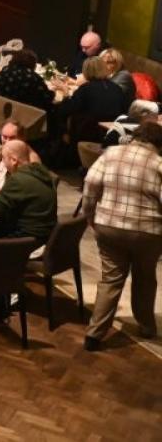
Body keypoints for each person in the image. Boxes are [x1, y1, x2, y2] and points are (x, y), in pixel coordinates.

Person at [83, 121, 162, 350]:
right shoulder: (158, 163)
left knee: (111, 279)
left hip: (109, 226)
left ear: (135, 136)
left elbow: (90, 183)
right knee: (144, 278)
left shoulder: (111, 154)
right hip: (148, 232)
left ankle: (94, 335)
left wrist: (90, 214)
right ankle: (146, 326)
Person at [0, 140, 57, 243]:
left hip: (22, 241)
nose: (3, 162)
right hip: (44, 237)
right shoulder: (41, 173)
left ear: (14, 160)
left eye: (4, 158)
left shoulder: (17, 179)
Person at [60, 56, 131, 141]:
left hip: (89, 134)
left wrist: (65, 93)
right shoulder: (117, 88)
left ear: (85, 71)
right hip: (112, 134)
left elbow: (67, 109)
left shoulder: (86, 88)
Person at [0, 120, 40, 194]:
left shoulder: (29, 159)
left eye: (12, 138)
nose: (7, 141)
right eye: (4, 137)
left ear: (21, 138)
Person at [0, 47, 55, 111]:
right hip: (22, 114)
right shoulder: (34, 78)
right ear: (33, 64)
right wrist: (54, 90)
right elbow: (48, 97)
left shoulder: (6, 70)